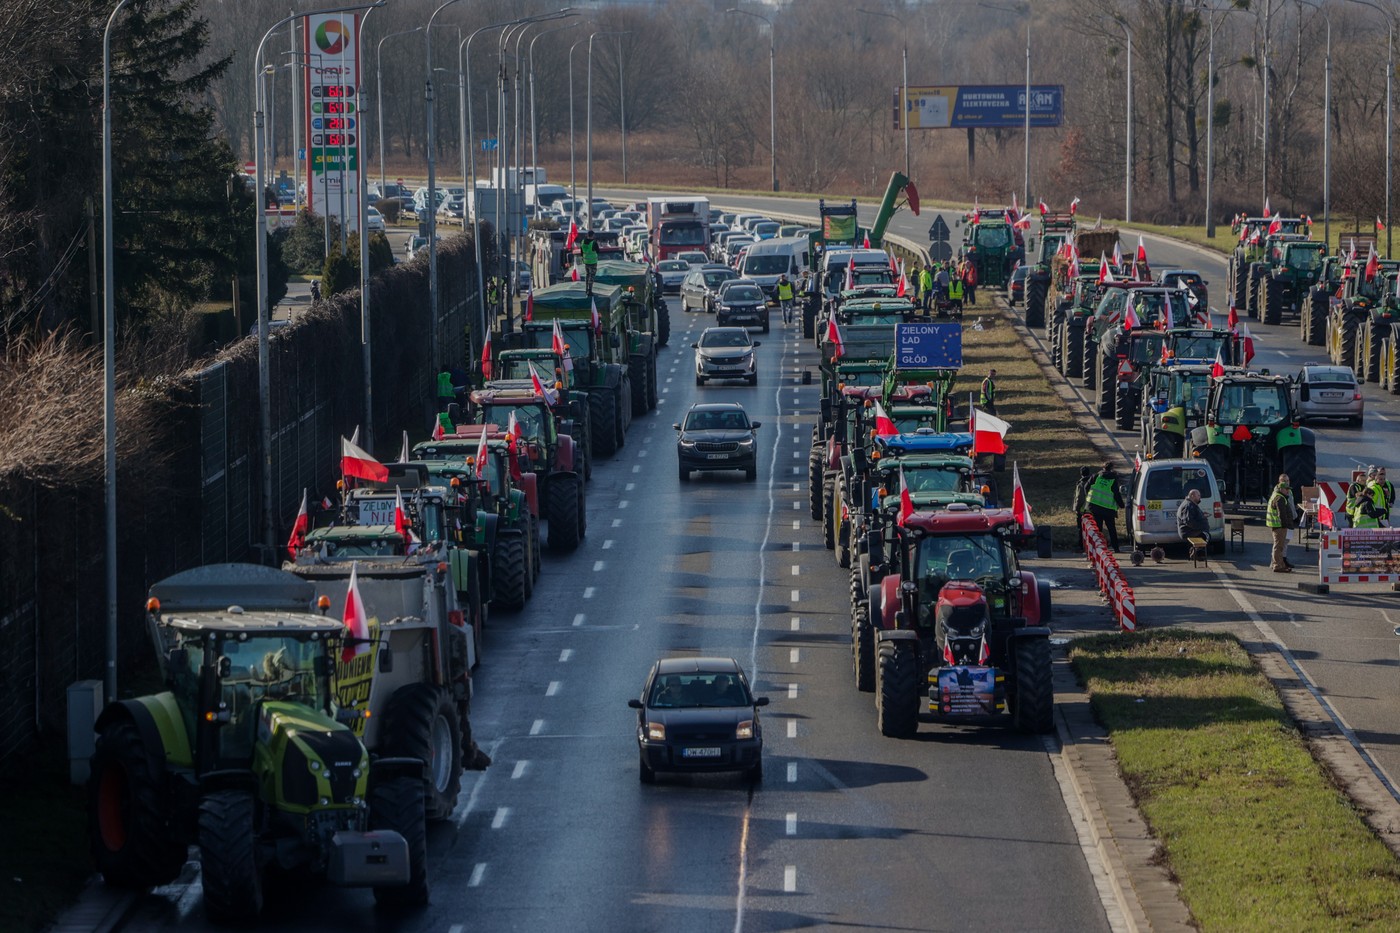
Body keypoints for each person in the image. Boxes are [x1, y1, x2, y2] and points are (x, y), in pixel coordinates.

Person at [1085, 461, 1125, 551]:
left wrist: (1088, 497)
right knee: (1111, 529)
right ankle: (1116, 548)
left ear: (1103, 468)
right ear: (1112, 469)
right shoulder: (1113, 480)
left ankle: (1098, 548)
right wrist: (1122, 505)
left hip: (1095, 507)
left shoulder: (1096, 476)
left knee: (1098, 529)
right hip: (1108, 509)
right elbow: (1116, 494)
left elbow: (1086, 487)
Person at [1266, 474, 1298, 572]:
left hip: (1279, 525)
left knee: (1280, 545)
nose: (1288, 489)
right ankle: (1278, 565)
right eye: (1286, 488)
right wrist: (1285, 525)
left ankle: (1279, 563)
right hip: (1279, 525)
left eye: (1288, 481)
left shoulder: (1281, 495)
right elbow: (1282, 514)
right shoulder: (1279, 498)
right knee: (1279, 546)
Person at [1072, 466, 1094, 551]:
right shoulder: (1093, 482)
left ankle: (1081, 545)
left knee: (1081, 529)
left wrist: (1076, 509)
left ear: (1081, 474)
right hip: (1092, 509)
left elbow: (1079, 498)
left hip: (1082, 510)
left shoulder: (1081, 484)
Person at [580, 231, 599, 296]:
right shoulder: (594, 243)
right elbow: (598, 251)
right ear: (593, 235)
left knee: (587, 275)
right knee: (591, 276)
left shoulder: (583, 242)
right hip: (593, 262)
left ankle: (586, 289)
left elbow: (581, 252)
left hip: (586, 262)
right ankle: (590, 291)